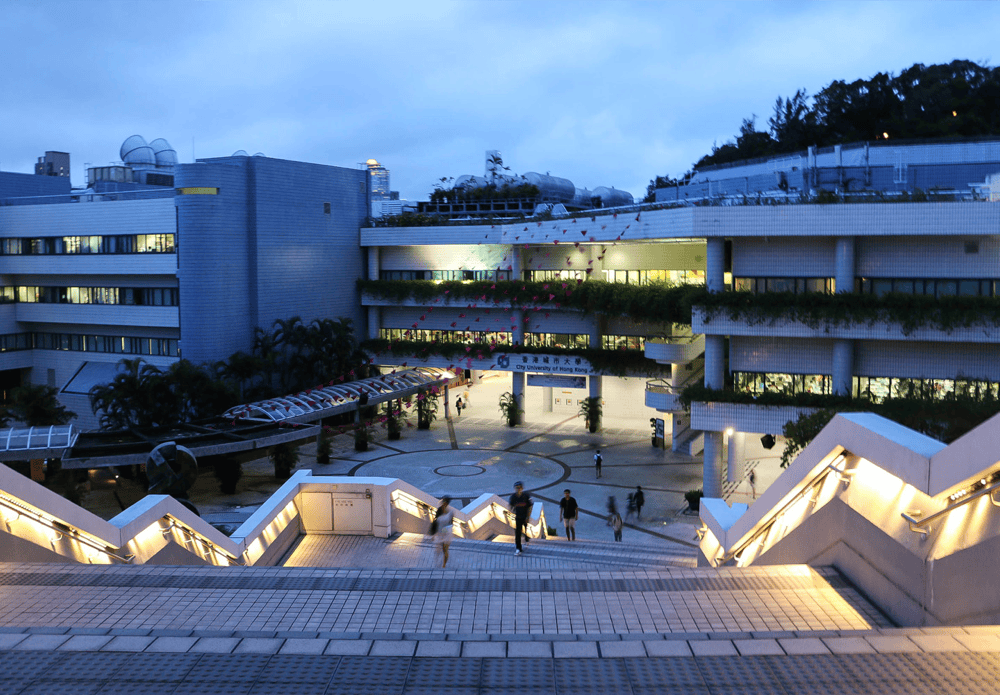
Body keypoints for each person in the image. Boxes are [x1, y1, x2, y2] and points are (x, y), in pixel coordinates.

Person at [509, 481, 532, 555]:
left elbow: (530, 506)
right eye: (516, 488)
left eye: (519, 488)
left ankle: (526, 538)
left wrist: (528, 516)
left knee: (525, 529)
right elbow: (511, 506)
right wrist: (511, 512)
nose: (518, 489)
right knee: (518, 533)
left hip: (525, 517)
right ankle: (518, 548)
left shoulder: (526, 496)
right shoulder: (513, 497)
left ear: (522, 488)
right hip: (518, 517)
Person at [432, 496, 455, 567]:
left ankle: (444, 565)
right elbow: (436, 522)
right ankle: (438, 563)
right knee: (438, 550)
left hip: (447, 533)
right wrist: (434, 534)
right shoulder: (439, 510)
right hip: (440, 533)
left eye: (444, 501)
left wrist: (444, 531)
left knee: (445, 550)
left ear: (446, 503)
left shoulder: (450, 511)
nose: (442, 503)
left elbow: (451, 524)